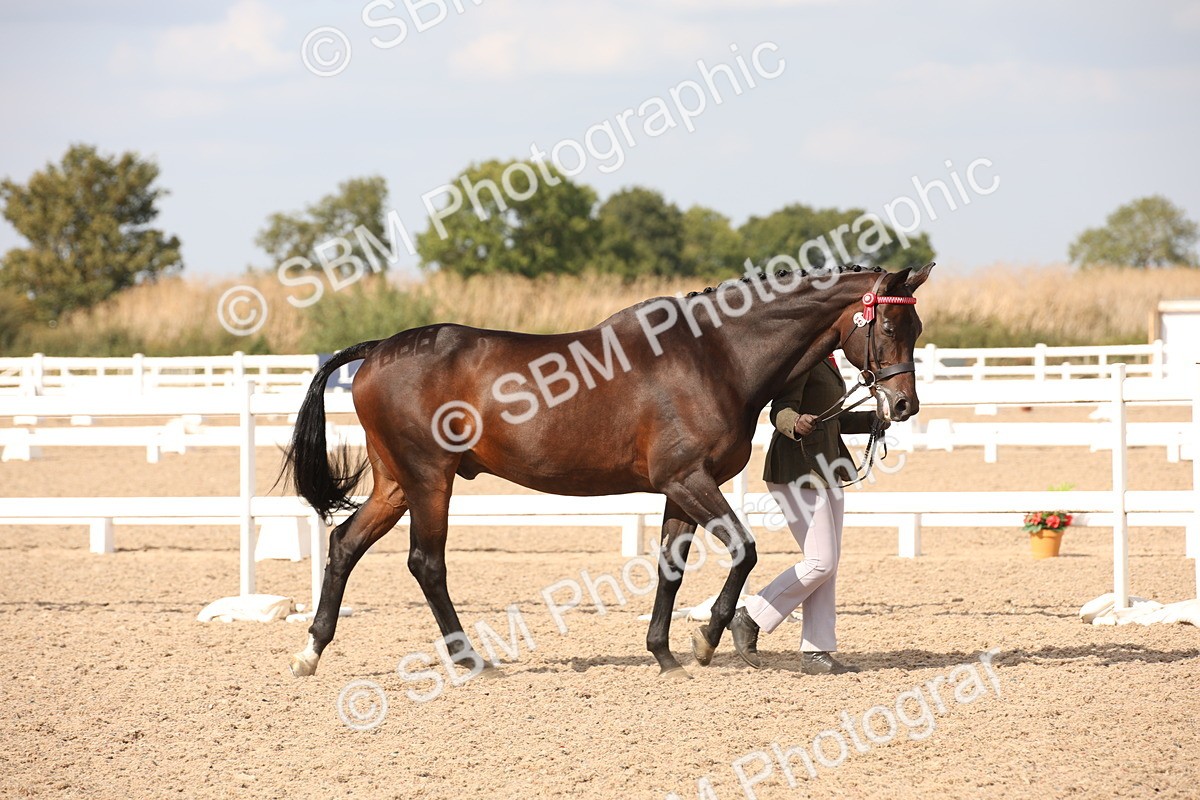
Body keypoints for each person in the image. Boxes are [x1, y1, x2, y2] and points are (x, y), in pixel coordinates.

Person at [724, 354, 879, 674]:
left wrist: (874, 420)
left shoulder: (829, 361)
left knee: (828, 565)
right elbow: (779, 410)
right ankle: (750, 615)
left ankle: (816, 650)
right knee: (820, 562)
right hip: (797, 470)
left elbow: (833, 418)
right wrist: (794, 422)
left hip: (826, 470)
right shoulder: (802, 358)